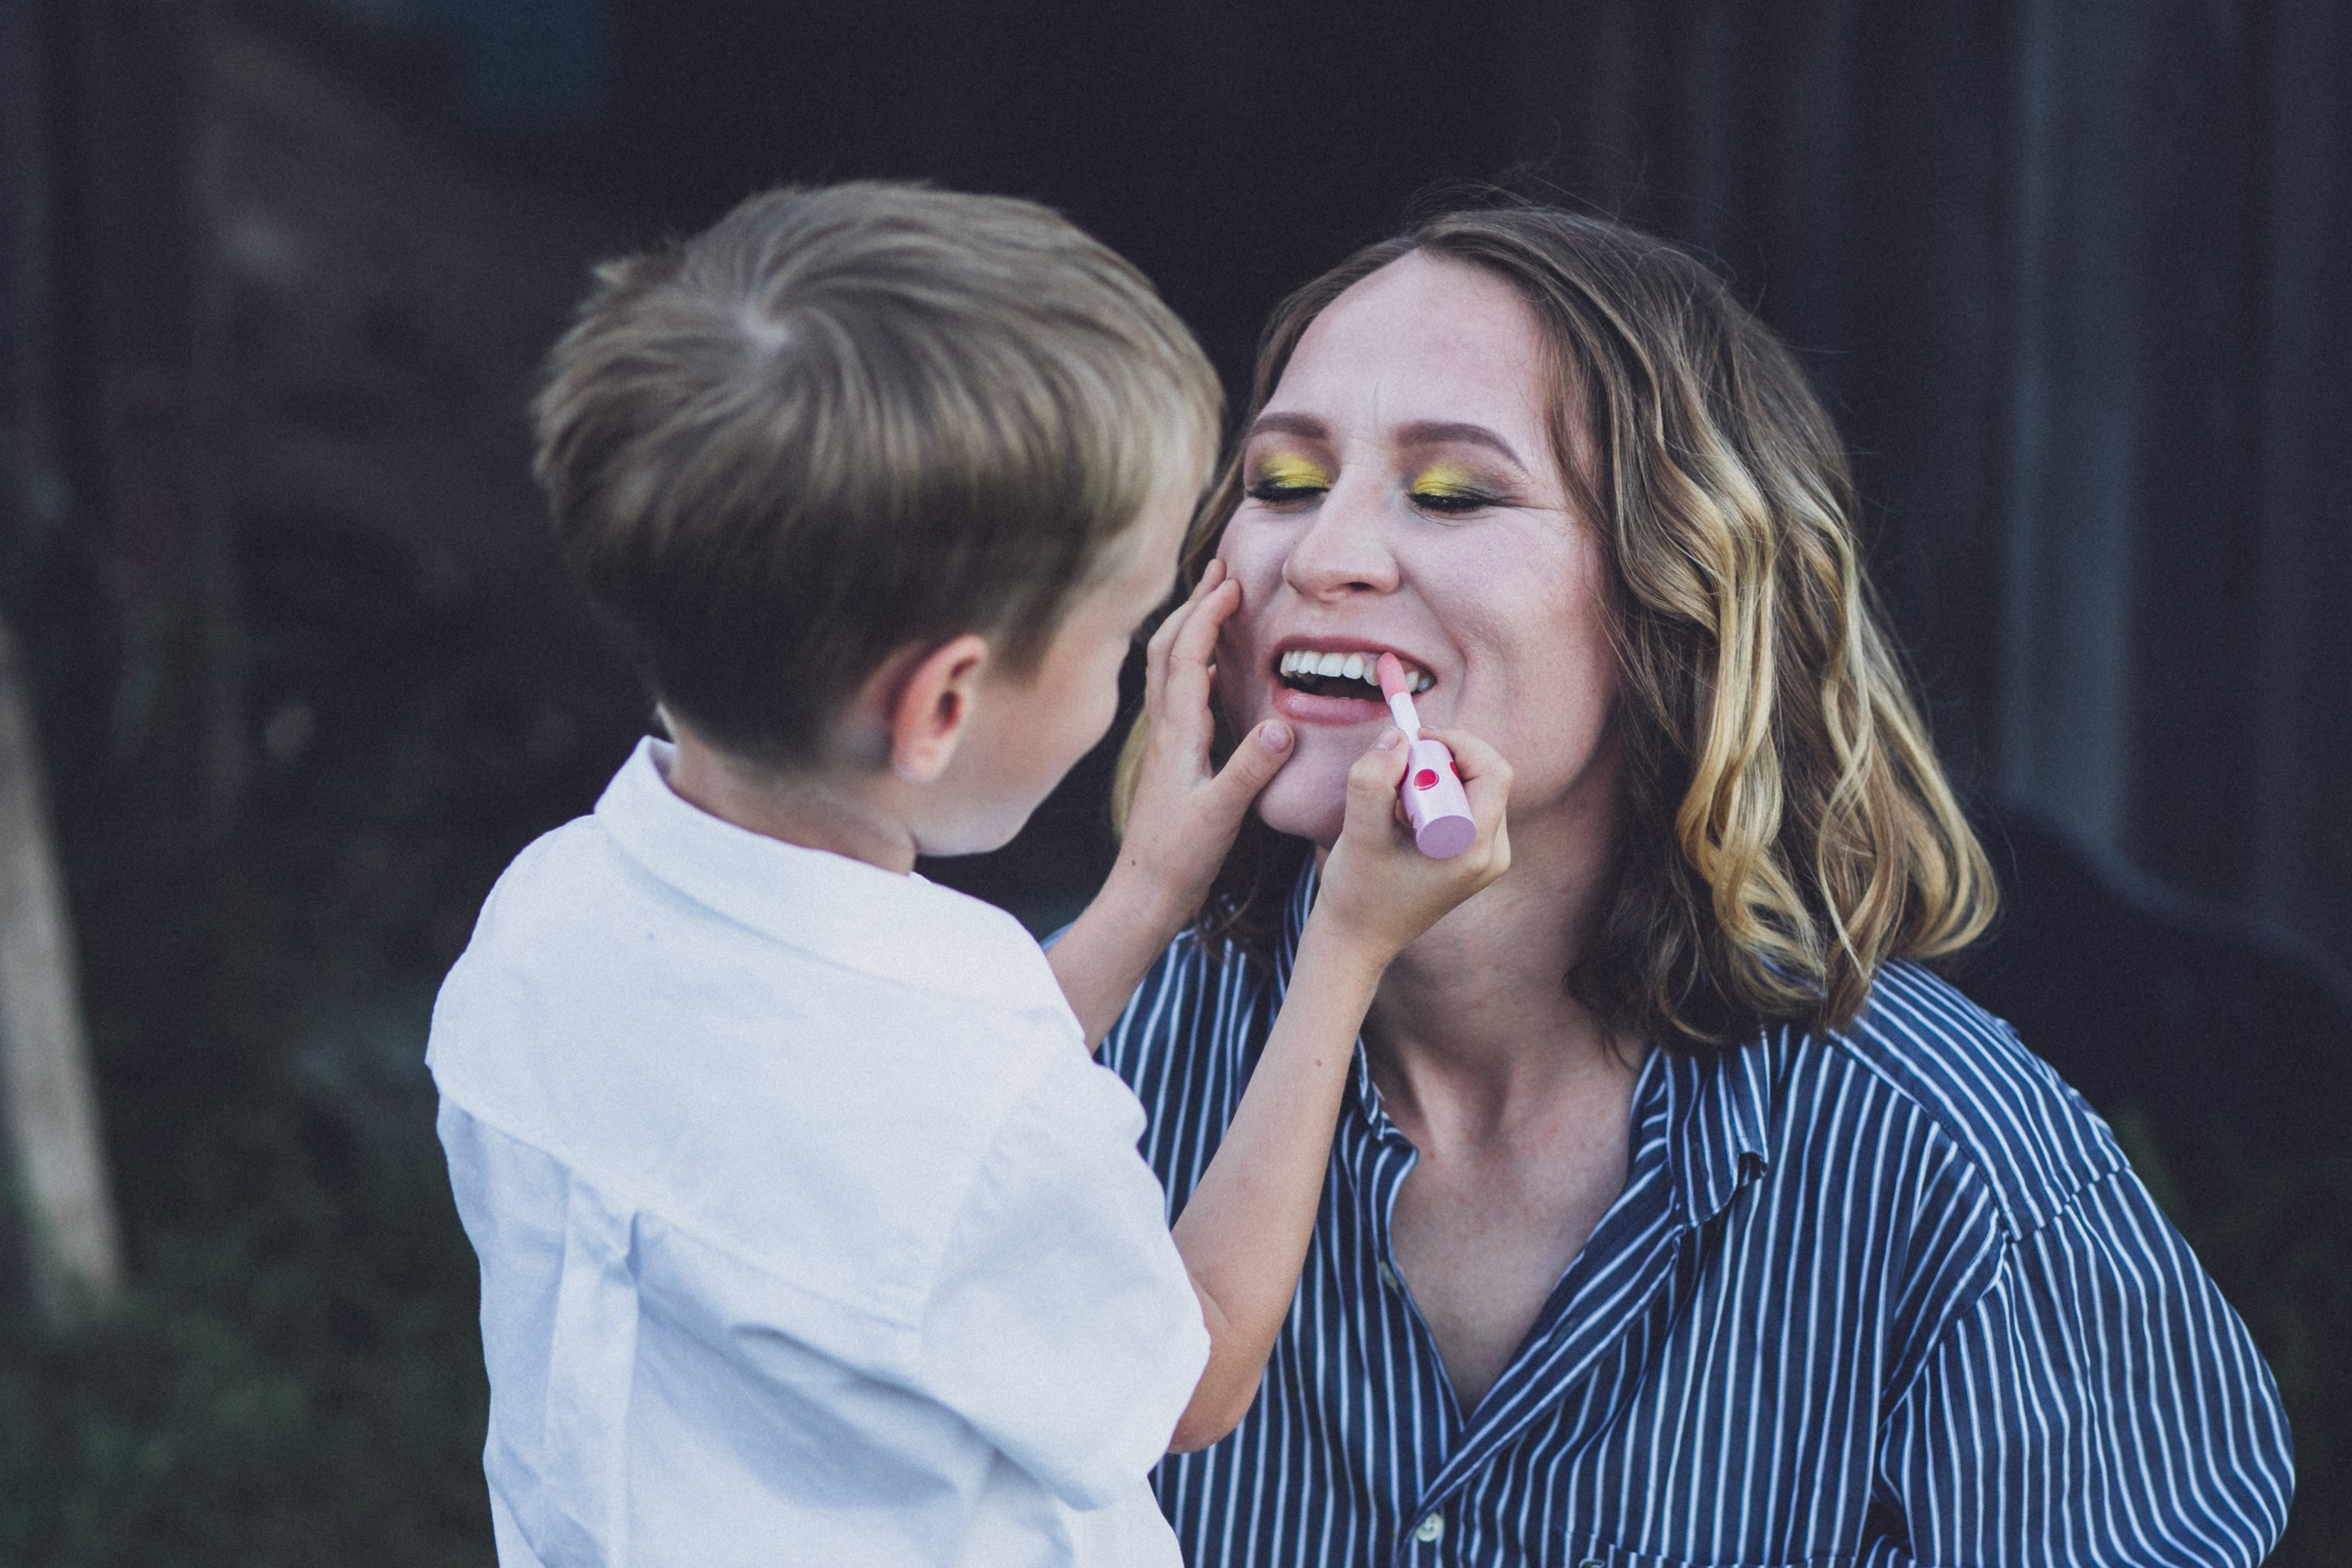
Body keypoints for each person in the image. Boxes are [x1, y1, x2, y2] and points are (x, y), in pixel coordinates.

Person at [1049, 204, 2295, 1567]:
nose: (1321, 553)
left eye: (1453, 492)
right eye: (1281, 482)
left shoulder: (1947, 1159)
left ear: (1674, 595)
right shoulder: (1081, 1070)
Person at [424, 183, 1506, 1568]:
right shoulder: (965, 1107)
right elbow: (1196, 1374)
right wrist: (1346, 949)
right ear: (941, 705)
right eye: (1122, 630)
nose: (1138, 666)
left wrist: (1141, 898)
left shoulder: (549, 915)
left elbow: (866, 1112)